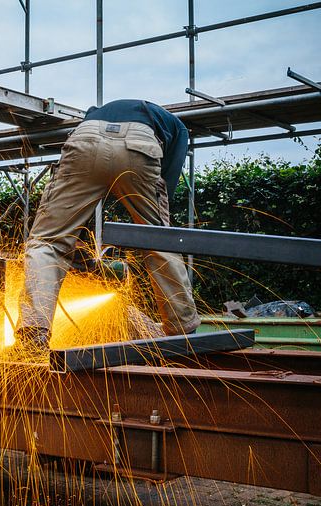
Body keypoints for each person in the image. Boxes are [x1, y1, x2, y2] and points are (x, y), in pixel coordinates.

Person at [16, 99, 201, 350]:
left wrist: (73, 237)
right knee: (159, 241)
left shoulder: (92, 116)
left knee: (48, 242)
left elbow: (80, 197)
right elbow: (166, 187)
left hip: (85, 140)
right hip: (141, 145)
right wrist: (152, 223)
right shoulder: (177, 129)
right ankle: (183, 327)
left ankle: (34, 330)